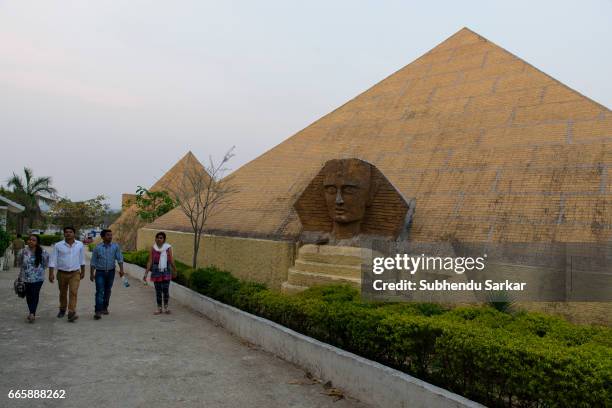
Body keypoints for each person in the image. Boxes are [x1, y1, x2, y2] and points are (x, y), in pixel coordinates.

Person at [48, 226, 85, 322]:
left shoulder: (80, 245)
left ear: (74, 234)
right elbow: (53, 260)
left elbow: (82, 259)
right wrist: (51, 273)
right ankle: (62, 309)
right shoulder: (58, 245)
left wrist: (83, 271)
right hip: (61, 273)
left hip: (75, 273)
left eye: (70, 232)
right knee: (63, 293)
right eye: (66, 232)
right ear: (64, 233)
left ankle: (71, 312)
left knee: (73, 292)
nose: (68, 233)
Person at [90, 229, 124, 320]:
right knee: (99, 291)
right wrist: (91, 273)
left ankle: (105, 307)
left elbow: (120, 259)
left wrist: (121, 270)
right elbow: (93, 261)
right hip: (100, 272)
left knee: (108, 290)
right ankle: (98, 311)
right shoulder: (97, 248)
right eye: (108, 235)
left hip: (111, 272)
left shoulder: (115, 247)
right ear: (103, 237)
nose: (110, 237)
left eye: (111, 235)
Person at [143, 232, 176, 314]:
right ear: (155, 239)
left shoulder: (168, 248)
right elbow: (150, 261)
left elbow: (171, 260)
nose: (159, 239)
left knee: (165, 290)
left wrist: (175, 269)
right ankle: (159, 308)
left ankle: (166, 307)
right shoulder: (153, 248)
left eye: (161, 238)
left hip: (166, 270)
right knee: (158, 291)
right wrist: (146, 273)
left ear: (164, 239)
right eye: (157, 237)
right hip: (156, 270)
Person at [19, 234, 49, 323]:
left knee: (35, 294)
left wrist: (37, 270)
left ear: (37, 242)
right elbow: (20, 262)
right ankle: (31, 311)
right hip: (25, 278)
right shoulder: (23, 251)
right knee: (28, 295)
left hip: (38, 278)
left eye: (33, 240)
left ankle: (32, 313)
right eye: (29, 240)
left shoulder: (43, 252)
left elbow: (45, 264)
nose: (30, 241)